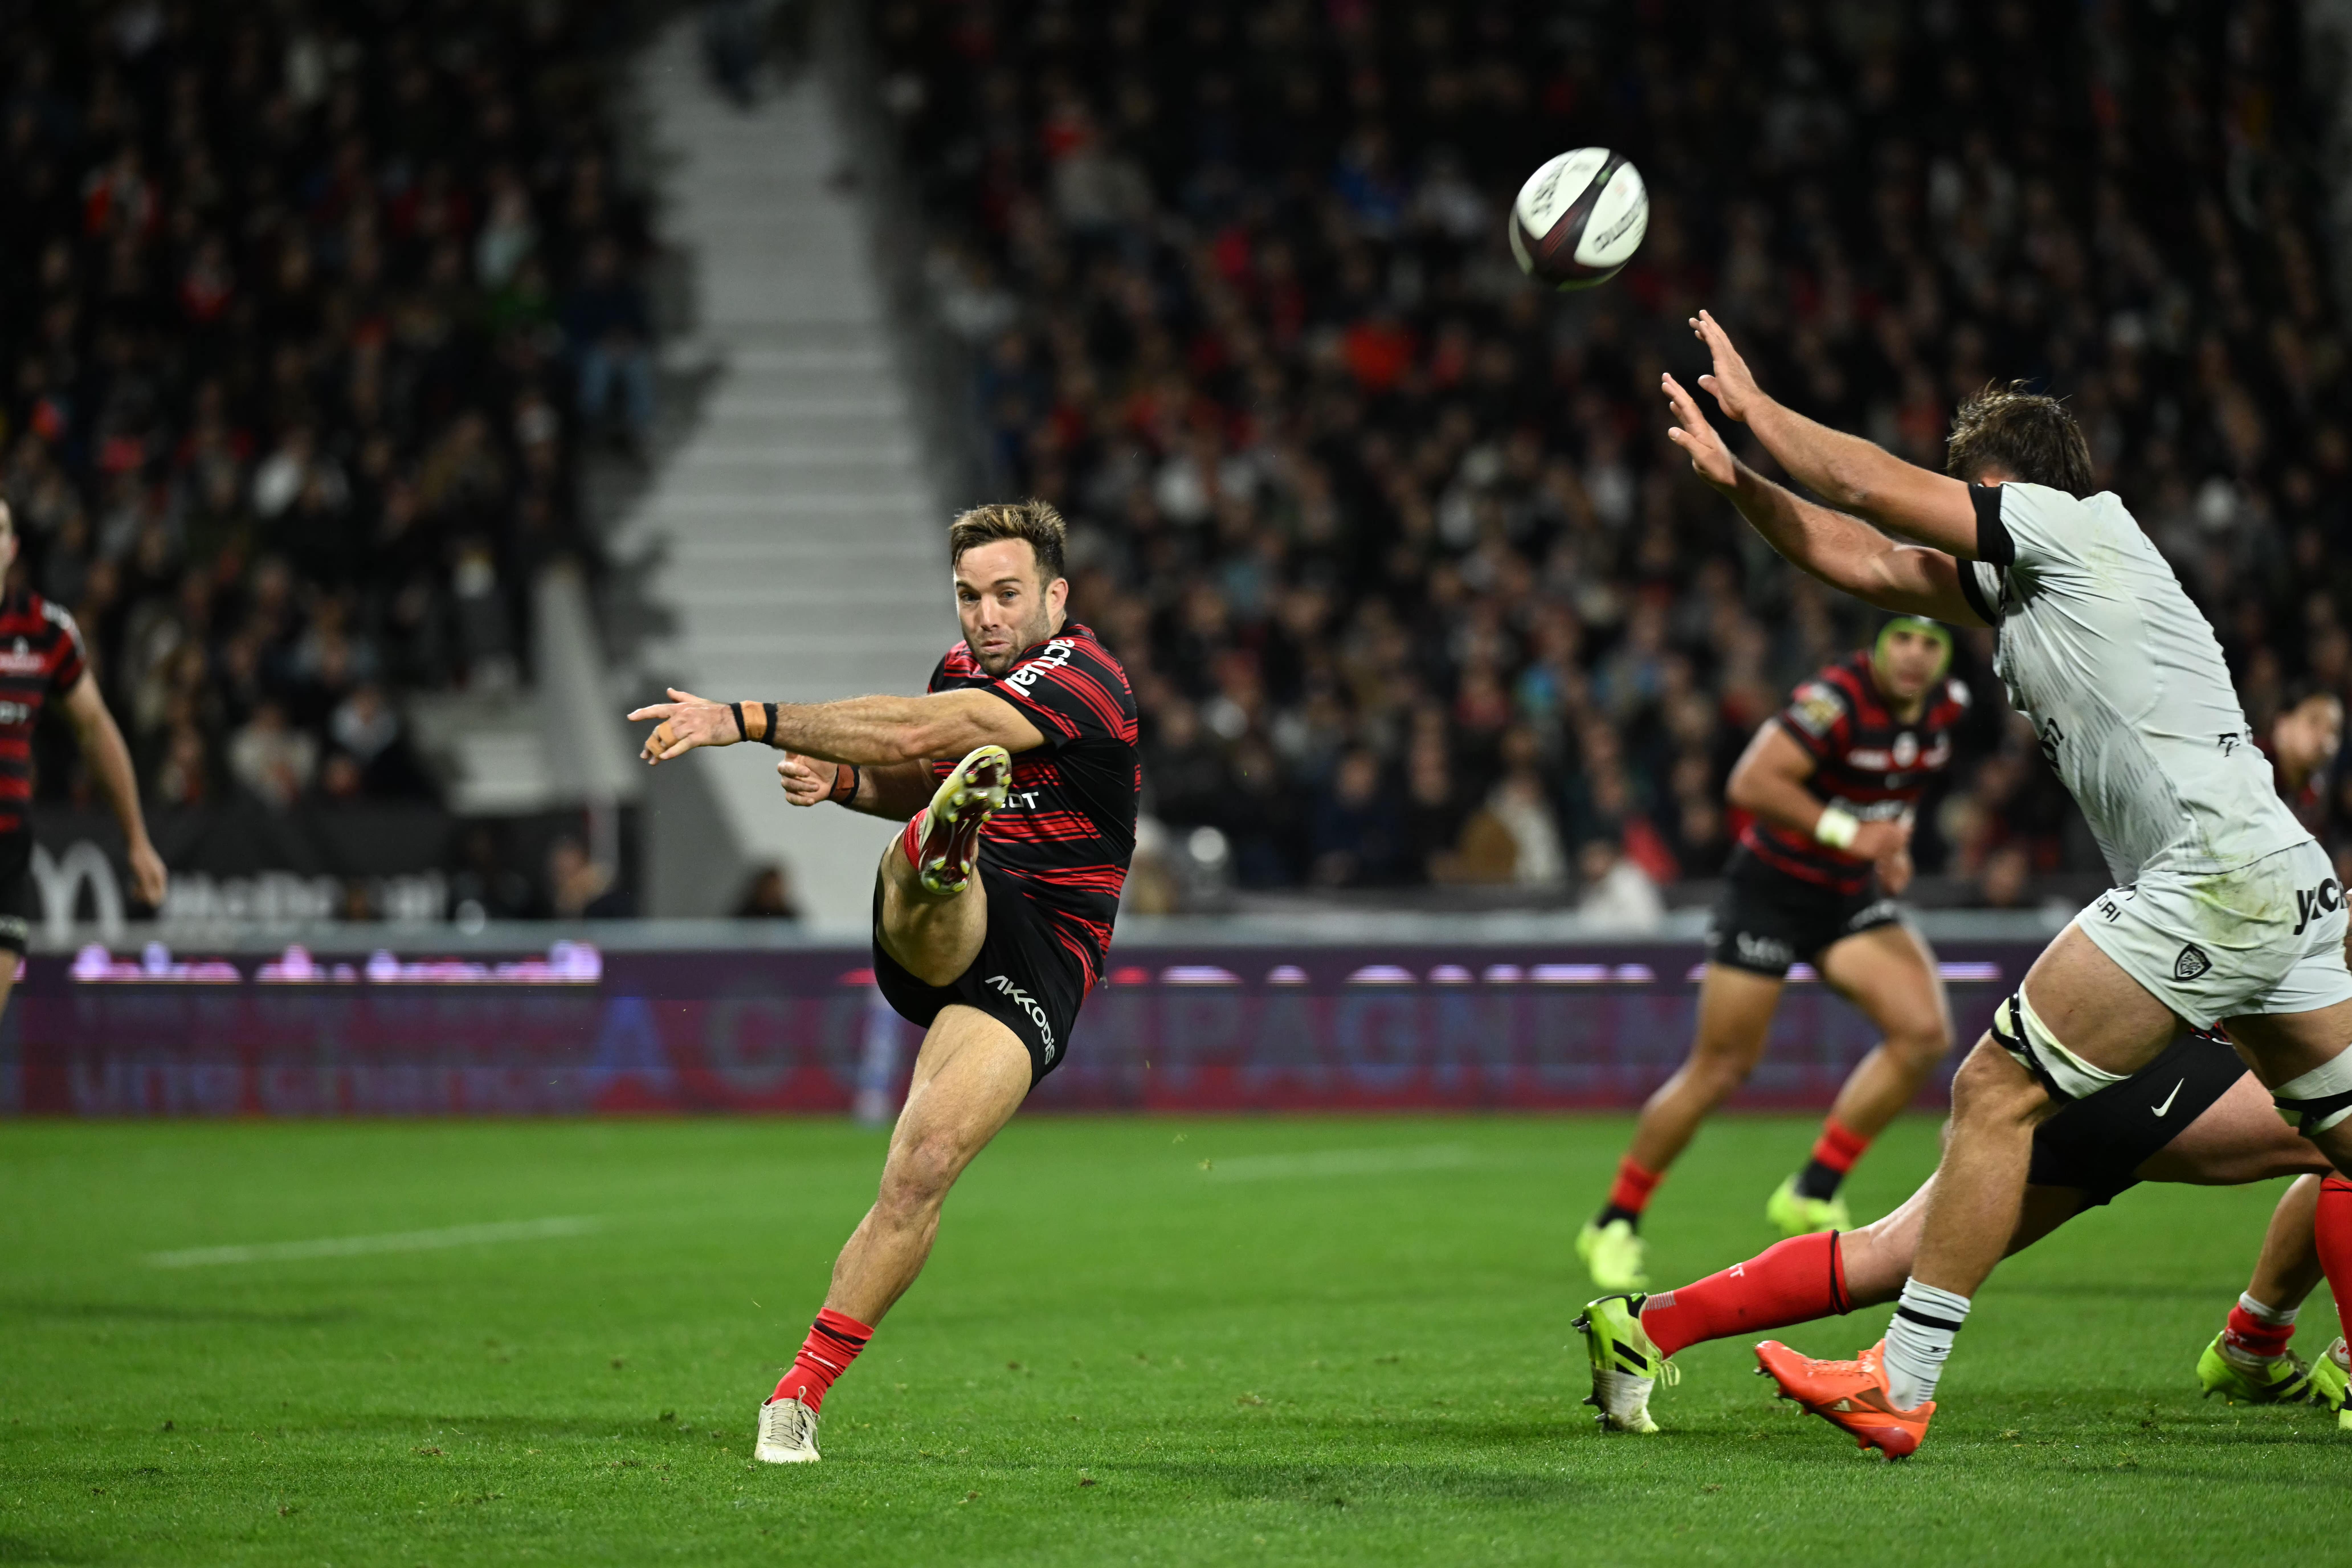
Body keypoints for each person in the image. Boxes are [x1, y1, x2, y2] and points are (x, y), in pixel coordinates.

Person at [1659, 309, 2352, 1458]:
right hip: (2277, 875)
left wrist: (1760, 408)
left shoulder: (2070, 524)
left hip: (2210, 876)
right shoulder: (2039, 589)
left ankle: (1903, 1375)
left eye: (1962, 495)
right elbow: (1866, 558)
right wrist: (1740, 480)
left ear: (1996, 486)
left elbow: (1879, 497)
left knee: (1995, 1090)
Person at [627, 500, 1137, 1464]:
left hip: (1046, 954)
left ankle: (797, 1394)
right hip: (952, 925)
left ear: (1055, 597)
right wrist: (849, 786)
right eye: (967, 596)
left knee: (924, 1164)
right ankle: (941, 851)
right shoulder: (961, 672)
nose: (983, 615)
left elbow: (914, 733)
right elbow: (913, 758)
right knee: (934, 852)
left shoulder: (1086, 676)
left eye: (1005, 594)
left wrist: (740, 720)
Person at [1574, 1028, 2343, 1438]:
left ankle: (1651, 1324)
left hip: (2079, 1075)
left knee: (1893, 1254)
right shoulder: (2255, 835)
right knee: (2339, 1135)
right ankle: (2284, 1350)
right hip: (2171, 1071)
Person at [1577, 620, 1968, 1292]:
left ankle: (1813, 1188)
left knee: (1923, 1032)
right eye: (1902, 638)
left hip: (1844, 898)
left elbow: (1892, 790)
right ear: (1876, 644)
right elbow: (1752, 783)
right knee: (1722, 1067)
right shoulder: (1835, 701)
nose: (1915, 655)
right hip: (1771, 894)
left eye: (1931, 644)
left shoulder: (1945, 707)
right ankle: (1614, 1220)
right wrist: (1854, 833)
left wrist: (1892, 847)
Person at [0, 501, 168, 1008]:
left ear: (11, 548)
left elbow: (95, 728)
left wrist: (137, 840)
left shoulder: (47, 631)